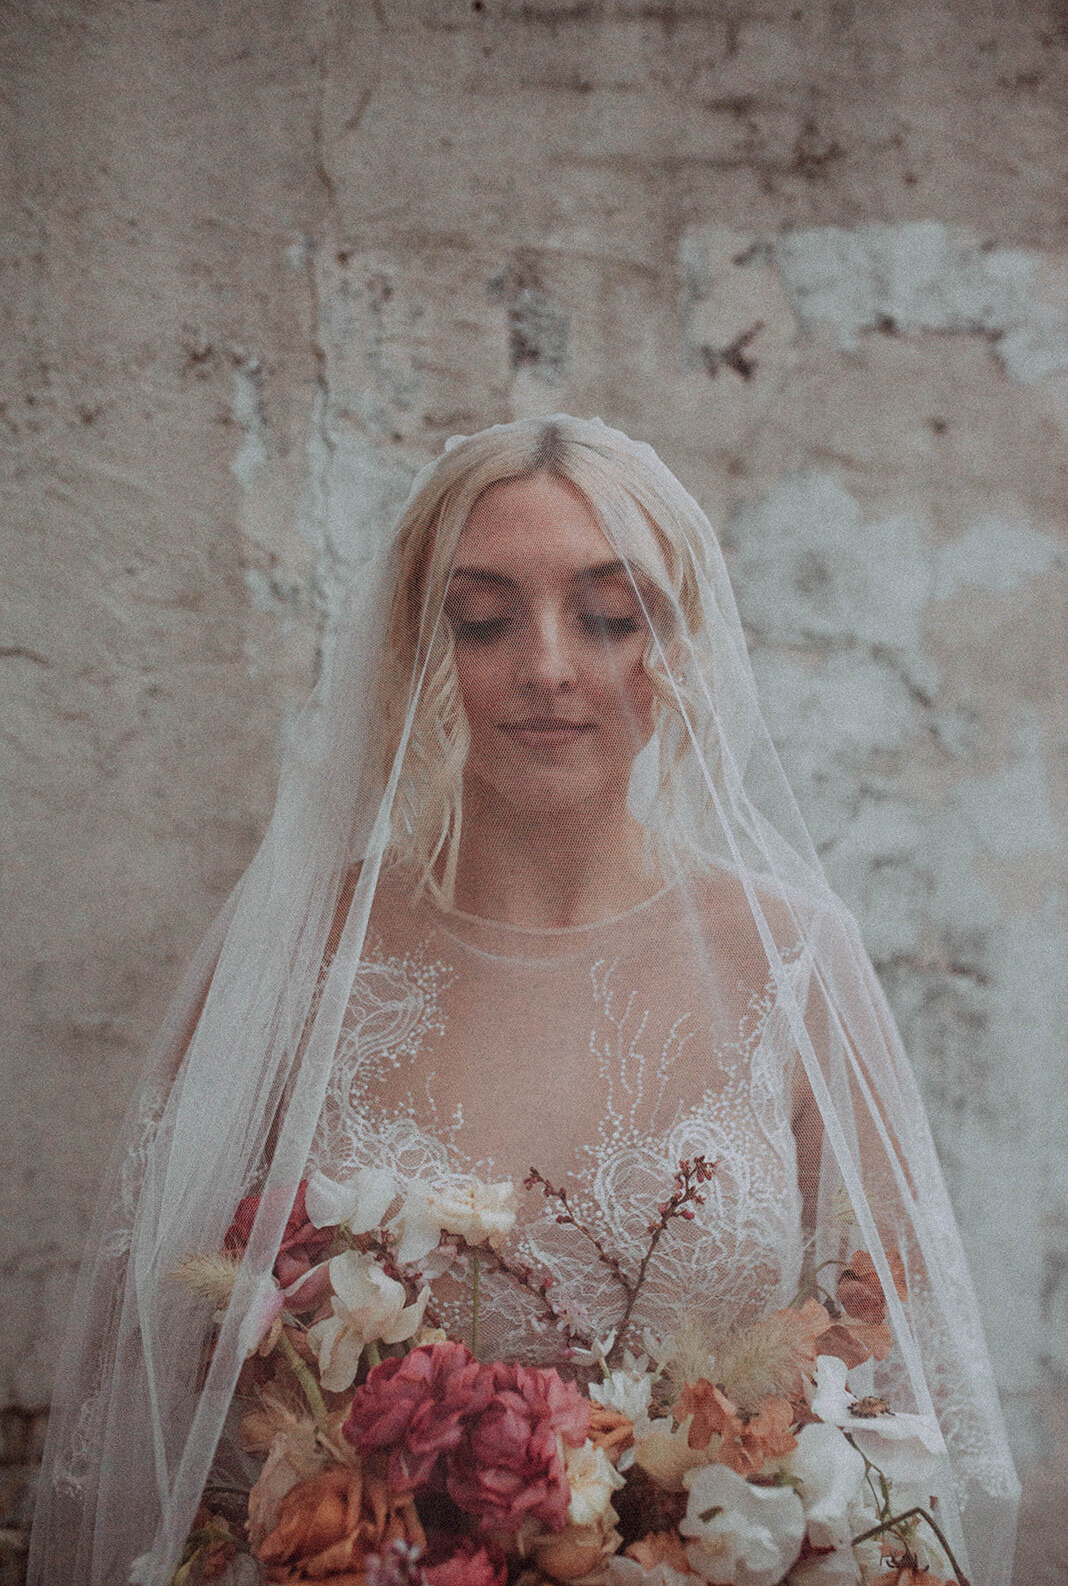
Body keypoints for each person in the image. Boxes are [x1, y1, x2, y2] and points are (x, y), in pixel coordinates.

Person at [29, 415, 1018, 1586]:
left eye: (609, 615)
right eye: (483, 618)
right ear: (414, 651)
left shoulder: (794, 958)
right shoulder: (299, 955)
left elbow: (908, 1408)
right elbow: (154, 1409)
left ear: (683, 648)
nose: (548, 664)